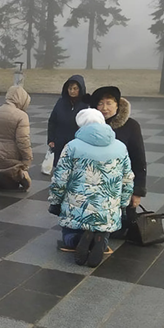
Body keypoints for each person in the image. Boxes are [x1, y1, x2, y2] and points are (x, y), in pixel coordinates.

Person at [49, 108, 134, 267]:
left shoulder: (72, 146)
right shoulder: (120, 147)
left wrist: (55, 201)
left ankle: (77, 239)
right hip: (107, 209)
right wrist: (123, 204)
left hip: (77, 206)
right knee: (104, 226)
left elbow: (60, 178)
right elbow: (127, 179)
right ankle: (101, 240)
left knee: (68, 233)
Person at [90, 86, 147, 237]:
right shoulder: (90, 127)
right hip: (95, 188)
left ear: (117, 105)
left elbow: (139, 159)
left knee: (120, 232)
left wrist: (138, 191)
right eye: (100, 103)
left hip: (121, 187)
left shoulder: (131, 126)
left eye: (109, 103)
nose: (105, 108)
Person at [0, 85, 33, 194]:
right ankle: (3, 177)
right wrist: (27, 160)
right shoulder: (22, 116)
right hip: (11, 160)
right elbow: (23, 141)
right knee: (18, 182)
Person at [47, 75, 88, 169]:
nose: (72, 91)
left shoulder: (86, 104)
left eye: (75, 88)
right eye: (70, 88)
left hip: (77, 143)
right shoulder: (61, 102)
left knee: (75, 170)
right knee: (60, 169)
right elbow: (52, 121)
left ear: (80, 89)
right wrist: (51, 139)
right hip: (60, 141)